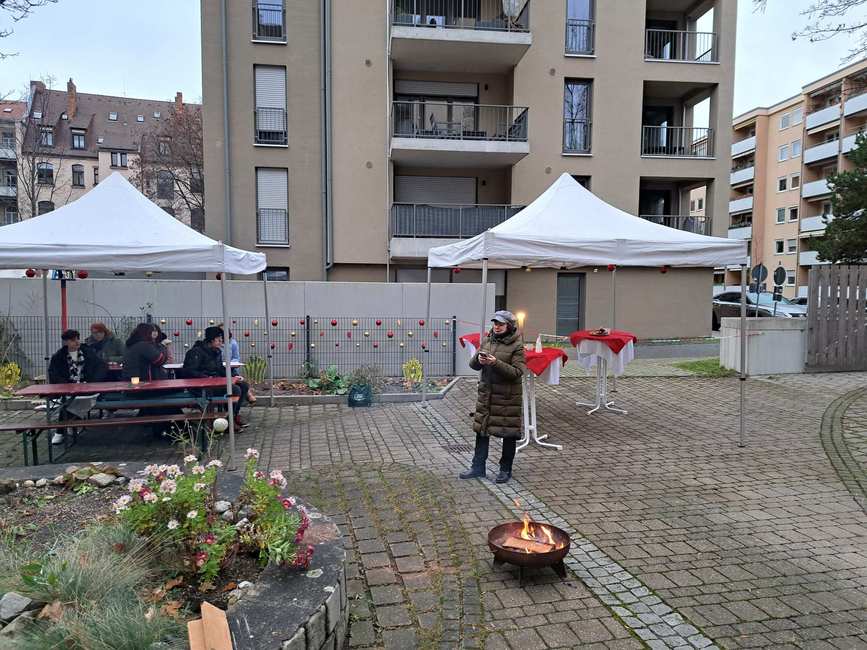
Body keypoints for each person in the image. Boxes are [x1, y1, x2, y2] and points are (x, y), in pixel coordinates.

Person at [459, 310, 526, 484]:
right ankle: (477, 467)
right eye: (495, 323)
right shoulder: (488, 339)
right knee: (481, 431)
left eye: (501, 324)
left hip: (507, 397)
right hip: (487, 394)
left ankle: (505, 470)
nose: (496, 327)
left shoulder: (517, 345)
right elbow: (473, 365)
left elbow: (517, 372)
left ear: (509, 326)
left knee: (508, 434)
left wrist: (495, 363)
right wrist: (479, 360)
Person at [47, 329, 108, 444]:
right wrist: (67, 385)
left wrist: (92, 382)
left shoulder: (87, 352)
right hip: (68, 389)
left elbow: (101, 366)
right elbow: (54, 374)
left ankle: (62, 430)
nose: (76, 342)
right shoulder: (58, 357)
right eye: (73, 340)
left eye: (77, 339)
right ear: (66, 342)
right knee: (68, 401)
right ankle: (65, 428)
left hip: (88, 388)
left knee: (74, 401)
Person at [183, 326, 250, 428]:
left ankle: (234, 415)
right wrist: (206, 377)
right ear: (212, 339)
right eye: (219, 340)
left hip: (215, 383)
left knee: (243, 385)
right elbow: (189, 371)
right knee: (235, 390)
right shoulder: (196, 352)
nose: (221, 342)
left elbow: (220, 369)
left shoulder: (216, 351)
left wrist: (234, 377)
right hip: (202, 387)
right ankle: (229, 420)